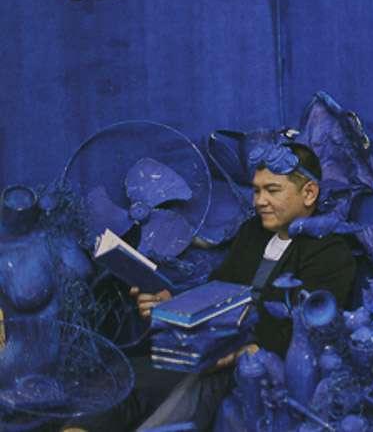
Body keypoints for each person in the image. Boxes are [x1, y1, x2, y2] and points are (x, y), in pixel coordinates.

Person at [70, 140, 356, 431]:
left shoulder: (331, 253)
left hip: (259, 368)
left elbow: (307, 335)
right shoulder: (252, 232)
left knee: (188, 397)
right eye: (256, 190)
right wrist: (171, 307)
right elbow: (216, 292)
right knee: (121, 381)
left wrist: (241, 351)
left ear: (309, 193)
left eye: (272, 190)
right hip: (210, 349)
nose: (259, 201)